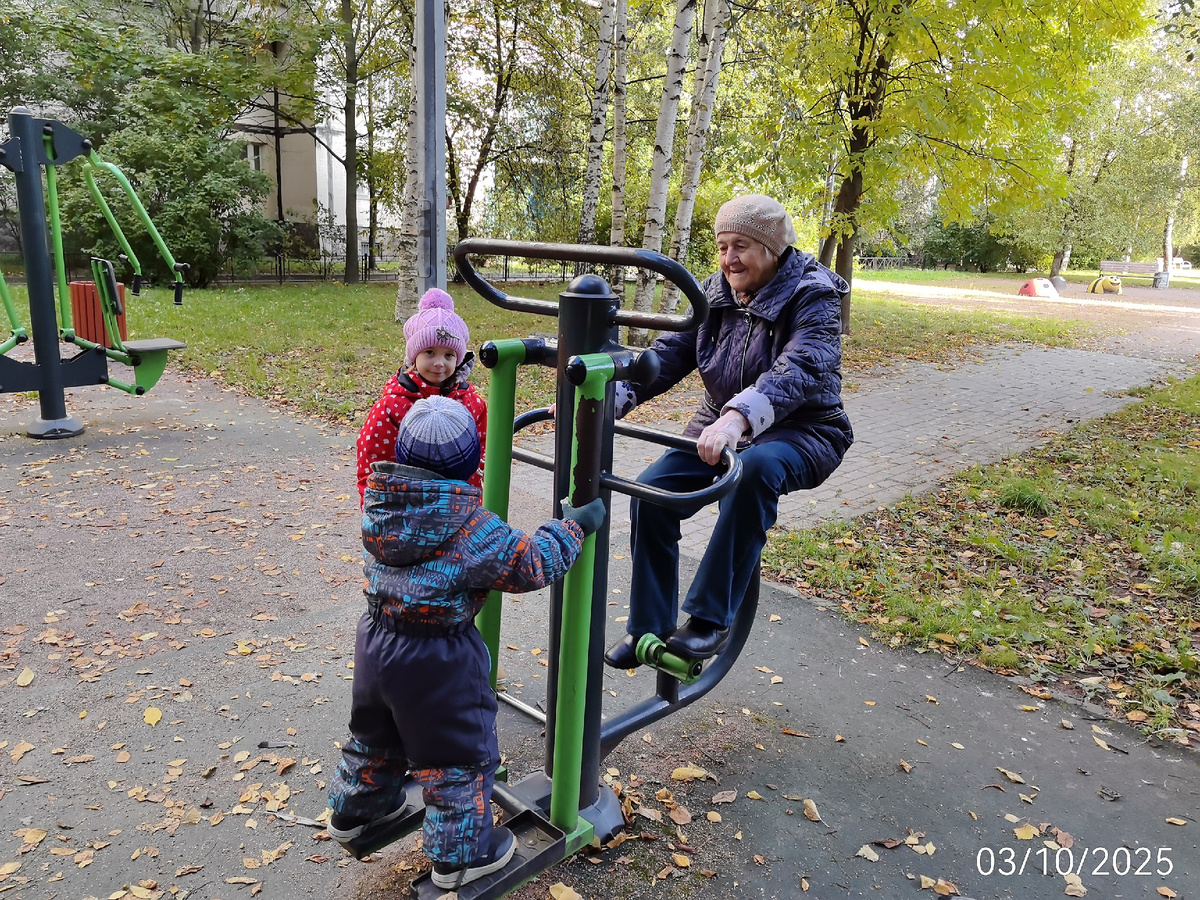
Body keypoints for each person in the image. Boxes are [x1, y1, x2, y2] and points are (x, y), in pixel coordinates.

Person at [328, 395, 605, 890]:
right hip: (438, 659)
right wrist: (574, 527)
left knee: (376, 737)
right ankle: (461, 858)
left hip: (375, 642)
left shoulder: (381, 502)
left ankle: (354, 812)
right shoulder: (472, 527)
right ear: (472, 464)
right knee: (456, 759)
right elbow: (530, 562)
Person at [604, 193, 853, 668]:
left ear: (772, 250)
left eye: (740, 245)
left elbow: (801, 367)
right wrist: (610, 399)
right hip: (720, 424)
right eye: (721, 246)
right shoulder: (715, 292)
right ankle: (648, 629)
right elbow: (670, 354)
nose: (728, 258)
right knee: (651, 492)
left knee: (754, 470)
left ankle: (709, 621)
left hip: (804, 429)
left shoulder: (814, 296)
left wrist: (739, 417)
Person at [356, 288, 487, 507]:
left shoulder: (471, 404)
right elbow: (373, 462)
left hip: (460, 508)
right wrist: (375, 508)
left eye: (449, 355)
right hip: (407, 511)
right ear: (414, 355)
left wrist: (476, 503)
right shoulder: (392, 406)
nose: (439, 363)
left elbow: (483, 457)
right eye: (429, 352)